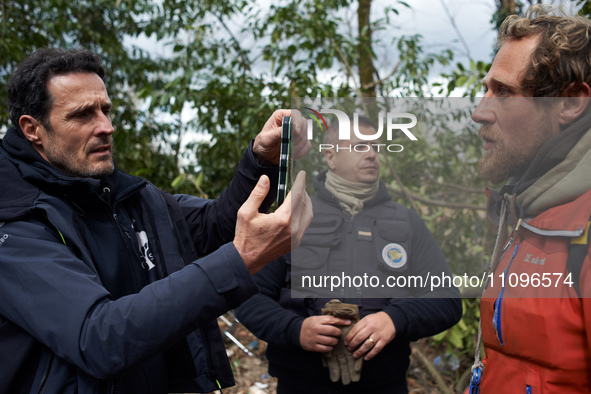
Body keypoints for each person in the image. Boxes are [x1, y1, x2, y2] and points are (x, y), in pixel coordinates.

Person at [0, 48, 313, 394]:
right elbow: (99, 338)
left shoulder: (122, 195)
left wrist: (259, 160)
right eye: (82, 115)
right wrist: (242, 259)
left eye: (105, 109)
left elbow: (212, 227)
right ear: (33, 129)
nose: (106, 127)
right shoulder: (16, 222)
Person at [235, 116, 462, 393]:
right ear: (330, 157)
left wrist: (394, 319)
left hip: (384, 384)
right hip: (302, 384)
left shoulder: (406, 222)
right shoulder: (292, 217)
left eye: (375, 147)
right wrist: (296, 330)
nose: (372, 154)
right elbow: (249, 297)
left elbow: (447, 300)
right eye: (359, 146)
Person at [470, 5, 591, 394]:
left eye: (504, 92)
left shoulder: (582, 227)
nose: (479, 112)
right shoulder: (526, 208)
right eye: (486, 88)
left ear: (570, 104)